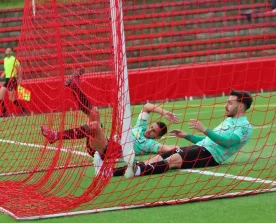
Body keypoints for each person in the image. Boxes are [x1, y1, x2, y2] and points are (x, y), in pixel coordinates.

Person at [107, 89, 253, 179]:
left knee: (174, 160)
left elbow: (227, 142)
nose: (226, 106)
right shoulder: (228, 121)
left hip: (211, 156)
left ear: (240, 106)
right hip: (202, 148)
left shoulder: (245, 126)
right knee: (160, 156)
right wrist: (187, 136)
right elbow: (209, 140)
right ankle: (112, 172)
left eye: (230, 103)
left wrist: (205, 129)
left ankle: (138, 171)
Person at [40, 68, 179, 162]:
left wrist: (189, 146)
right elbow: (147, 107)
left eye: (154, 131)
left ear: (158, 137)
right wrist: (165, 112)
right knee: (94, 113)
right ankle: (75, 87)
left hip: (107, 151)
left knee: (94, 125)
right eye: (151, 127)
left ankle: (55, 136)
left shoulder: (151, 144)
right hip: (104, 142)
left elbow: (168, 149)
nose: (150, 130)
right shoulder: (141, 128)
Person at [0, 47, 27, 116]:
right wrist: (3, 73)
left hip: (12, 79)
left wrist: (20, 78)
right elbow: (8, 69)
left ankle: (23, 109)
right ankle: (4, 112)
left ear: (11, 52)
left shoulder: (14, 59)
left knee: (12, 99)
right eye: (7, 50)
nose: (8, 52)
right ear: (5, 52)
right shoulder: (5, 59)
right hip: (7, 79)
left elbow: (19, 68)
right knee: (0, 96)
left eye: (9, 51)